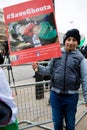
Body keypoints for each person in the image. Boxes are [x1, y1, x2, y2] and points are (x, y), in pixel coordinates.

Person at [32, 29, 87, 130]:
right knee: (57, 124)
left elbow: (85, 79)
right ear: (64, 40)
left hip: (71, 97)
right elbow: (48, 70)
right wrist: (38, 67)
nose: (70, 42)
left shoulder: (81, 58)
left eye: (74, 40)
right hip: (55, 96)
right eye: (68, 39)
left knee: (70, 124)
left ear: (78, 43)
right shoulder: (56, 54)